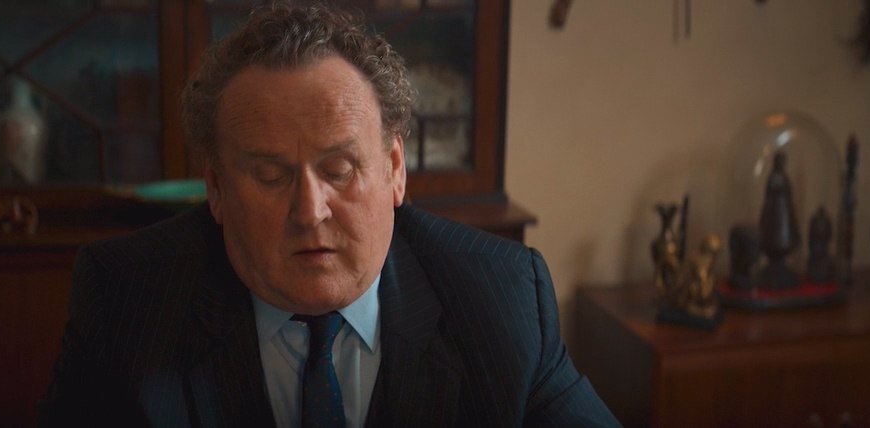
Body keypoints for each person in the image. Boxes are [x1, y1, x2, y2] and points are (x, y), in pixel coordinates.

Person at [38, 3, 619, 427]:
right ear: (215, 187)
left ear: (395, 170)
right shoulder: (126, 298)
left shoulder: (501, 297)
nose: (310, 212)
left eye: (339, 170)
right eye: (270, 176)